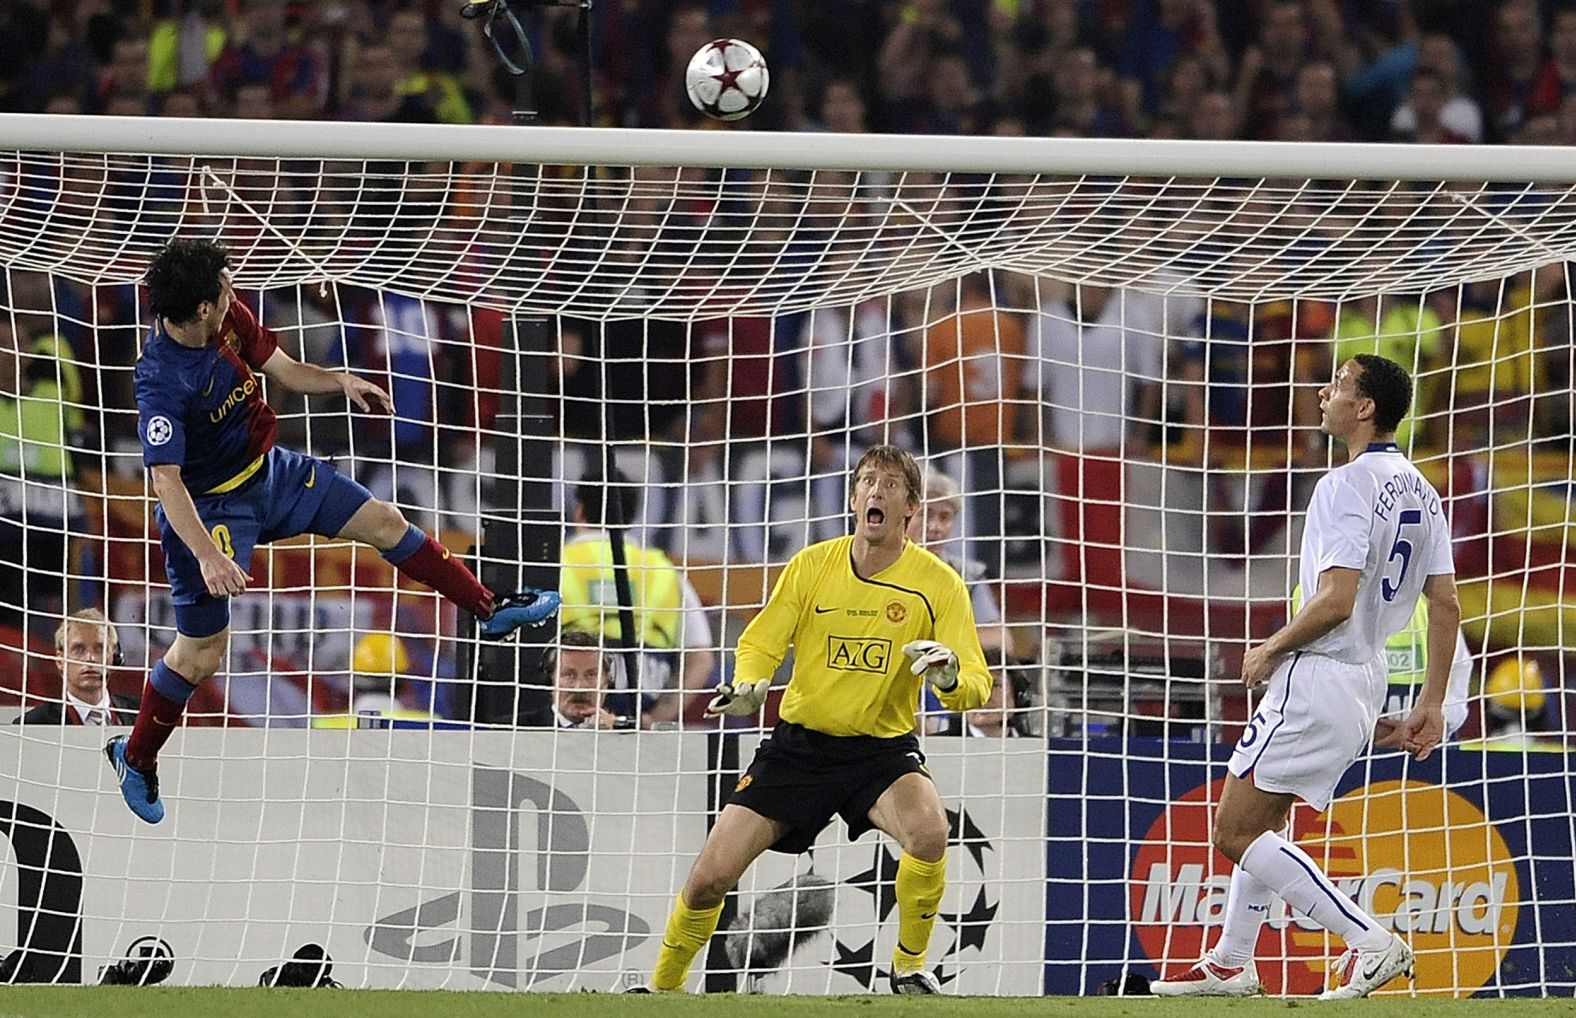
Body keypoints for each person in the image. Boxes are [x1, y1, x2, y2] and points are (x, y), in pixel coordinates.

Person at [105, 238, 559, 825]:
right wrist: (209, 558)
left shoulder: (226, 311)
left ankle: (487, 607)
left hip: (270, 474)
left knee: (386, 521)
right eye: (223, 287)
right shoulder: (161, 380)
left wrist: (341, 380)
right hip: (210, 510)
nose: (232, 288)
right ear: (199, 310)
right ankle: (135, 756)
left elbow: (286, 370)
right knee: (201, 654)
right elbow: (166, 482)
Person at [1151, 354, 1459, 1000]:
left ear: (1366, 407)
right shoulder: (1424, 490)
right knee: (1269, 822)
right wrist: (1430, 701)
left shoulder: (1342, 486)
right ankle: (1233, 962)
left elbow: (1336, 598)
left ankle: (1370, 941)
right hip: (1364, 677)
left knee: (1235, 831)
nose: (1324, 393)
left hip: (1319, 672)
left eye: (1339, 385)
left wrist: (1271, 647)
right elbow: (1447, 605)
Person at [636, 445, 991, 996]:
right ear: (853, 498)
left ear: (910, 508)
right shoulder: (812, 565)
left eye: (891, 485)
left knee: (929, 831)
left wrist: (946, 678)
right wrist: (751, 683)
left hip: (880, 750)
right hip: (799, 747)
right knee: (710, 879)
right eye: (868, 481)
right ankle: (661, 988)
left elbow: (976, 683)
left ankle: (910, 965)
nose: (876, 491)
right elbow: (760, 640)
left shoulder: (938, 584)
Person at [561, 467, 714, 727]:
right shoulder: (666, 573)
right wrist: (655, 718)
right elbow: (701, 658)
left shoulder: (555, 565)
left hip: (565, 726)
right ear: (630, 515)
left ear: (579, 510)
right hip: (636, 726)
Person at [14, 609, 138, 726]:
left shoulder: (141, 714)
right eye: (79, 649)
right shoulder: (31, 725)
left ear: (115, 657)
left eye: (100, 649)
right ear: (60, 660)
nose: (90, 658)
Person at [513, 629, 625, 729]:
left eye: (591, 675)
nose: (580, 687)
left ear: (606, 683)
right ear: (550, 682)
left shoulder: (630, 735)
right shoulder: (512, 730)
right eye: (568, 675)